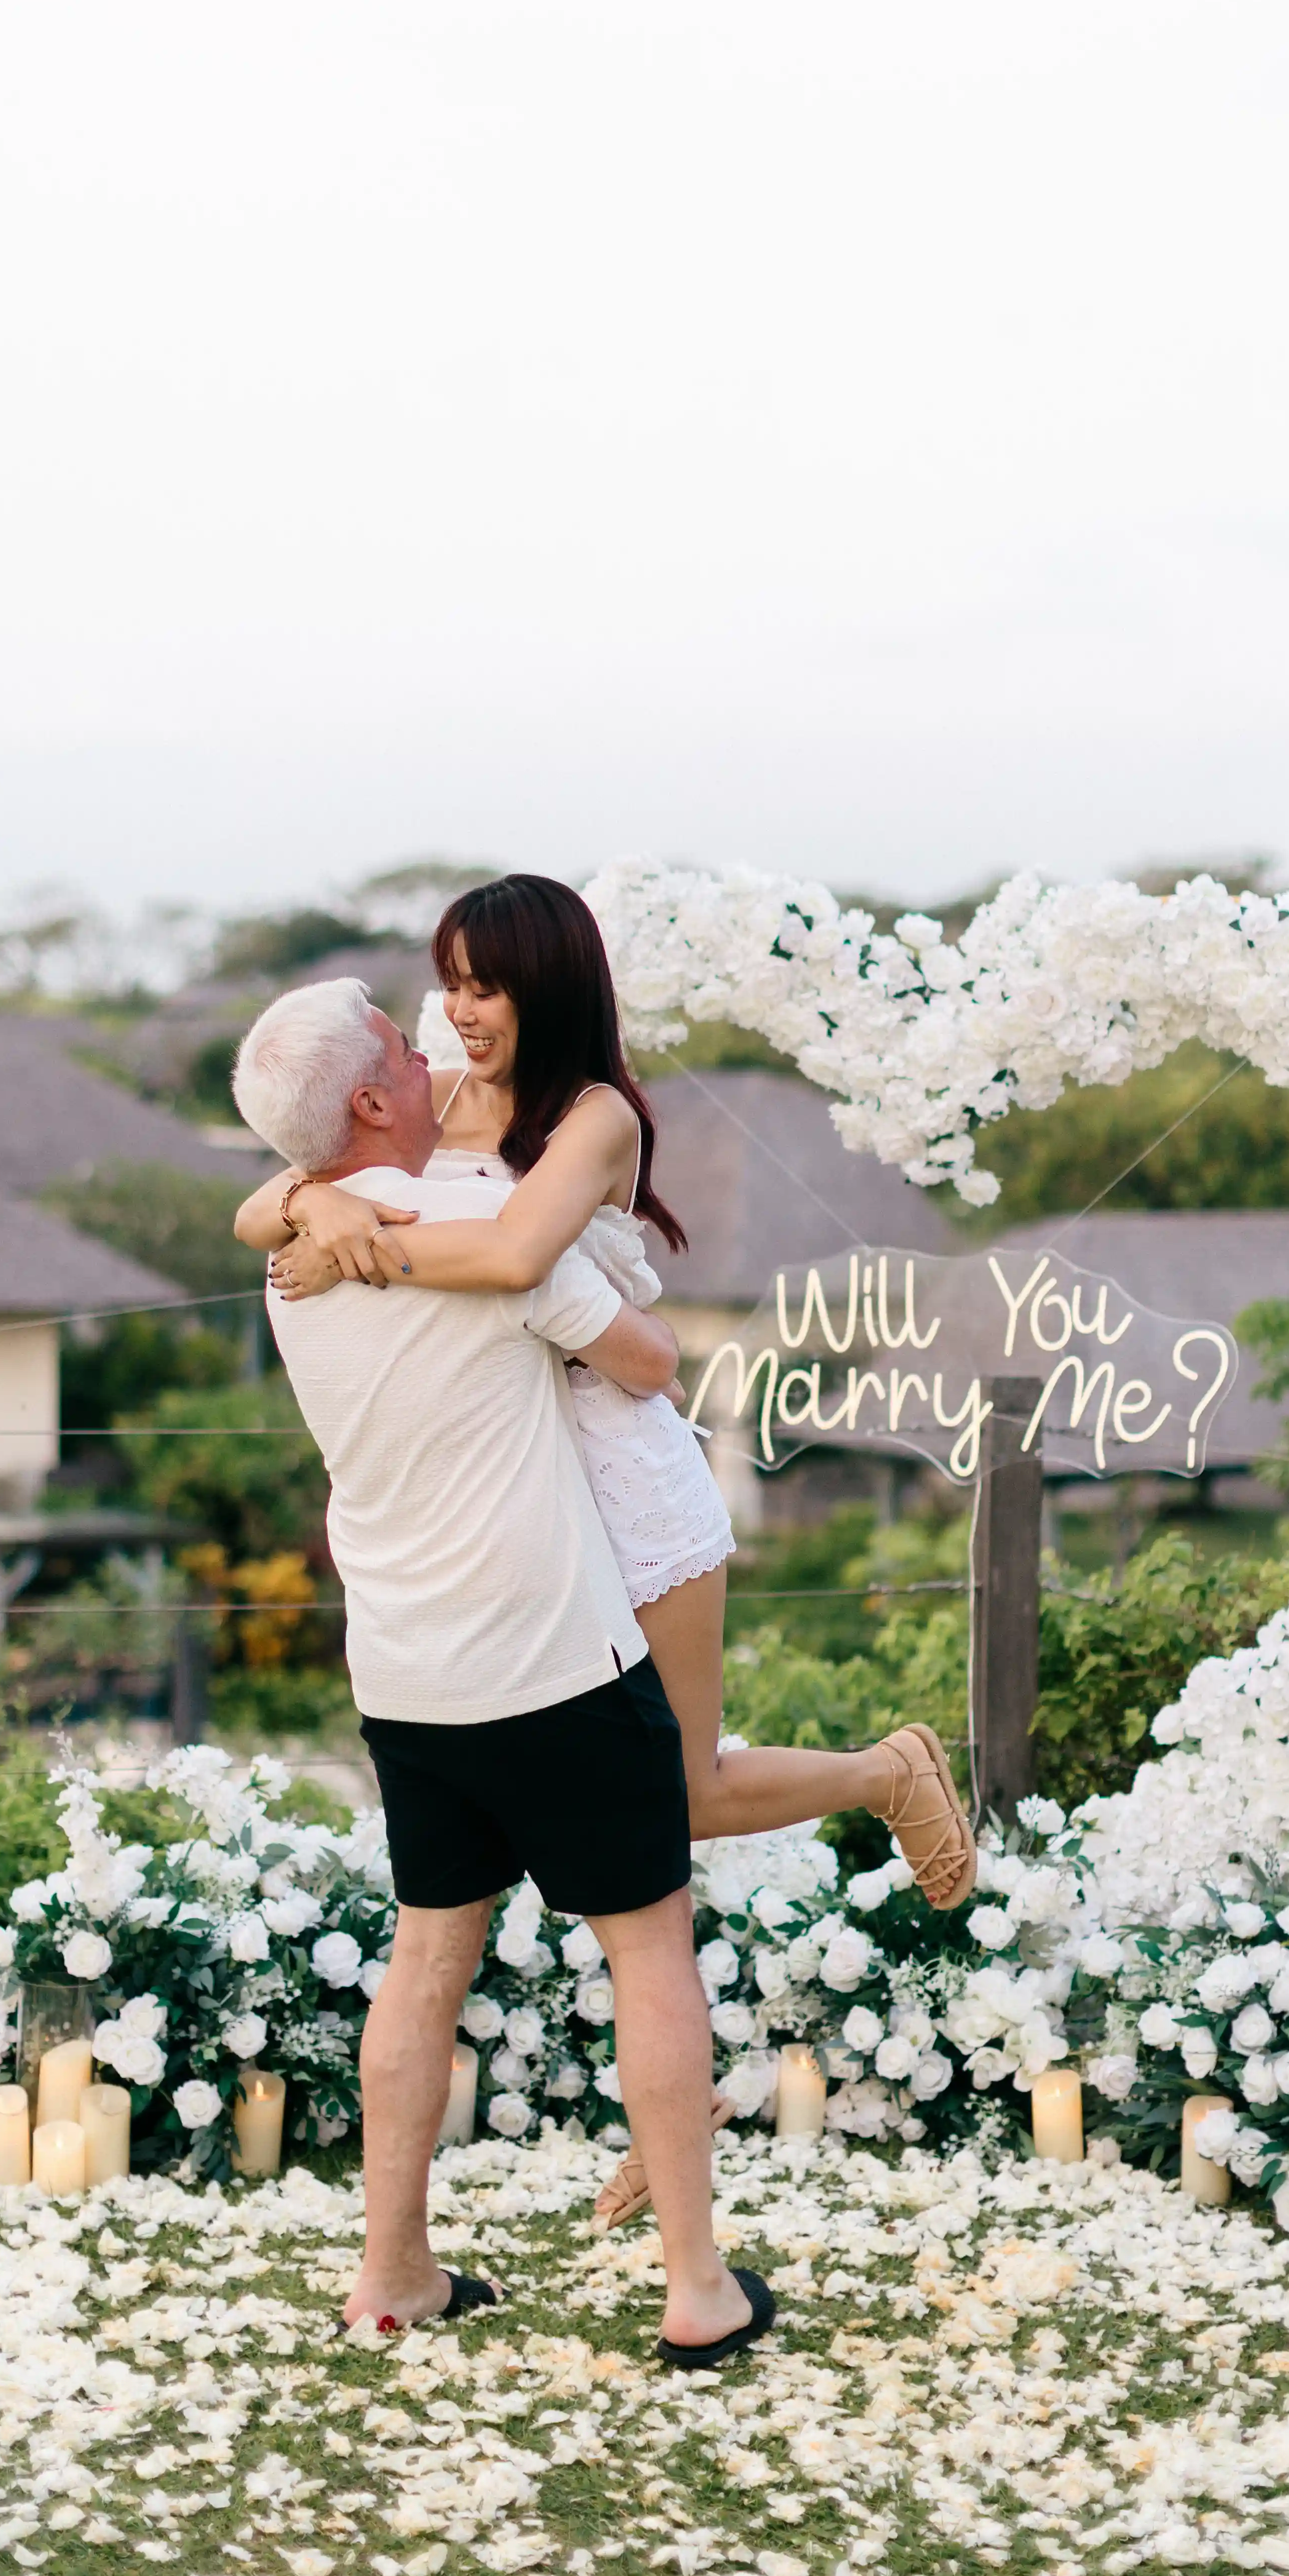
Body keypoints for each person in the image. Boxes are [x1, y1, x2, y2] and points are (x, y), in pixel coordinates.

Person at [235, 874, 974, 2226]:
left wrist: (352, 1230)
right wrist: (298, 1207)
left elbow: (518, 1256)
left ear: (550, 989)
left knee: (675, 1802)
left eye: (485, 985)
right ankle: (674, 2103)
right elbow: (290, 1175)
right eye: (447, 982)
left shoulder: (594, 1119)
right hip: (530, 1484)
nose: (457, 1012)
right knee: (637, 1839)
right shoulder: (439, 1089)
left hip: (627, 1479)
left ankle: (885, 1776)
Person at [231, 972, 774, 2365]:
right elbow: (650, 1362)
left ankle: (394, 2271)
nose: (428, 1052)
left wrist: (315, 1200)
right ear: (369, 1100)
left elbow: (287, 1205)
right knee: (651, 1955)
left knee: (426, 1959)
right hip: (554, 1659)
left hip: (407, 1675)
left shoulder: (292, 1261)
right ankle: (699, 2290)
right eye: (394, 1046)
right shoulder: (481, 1223)